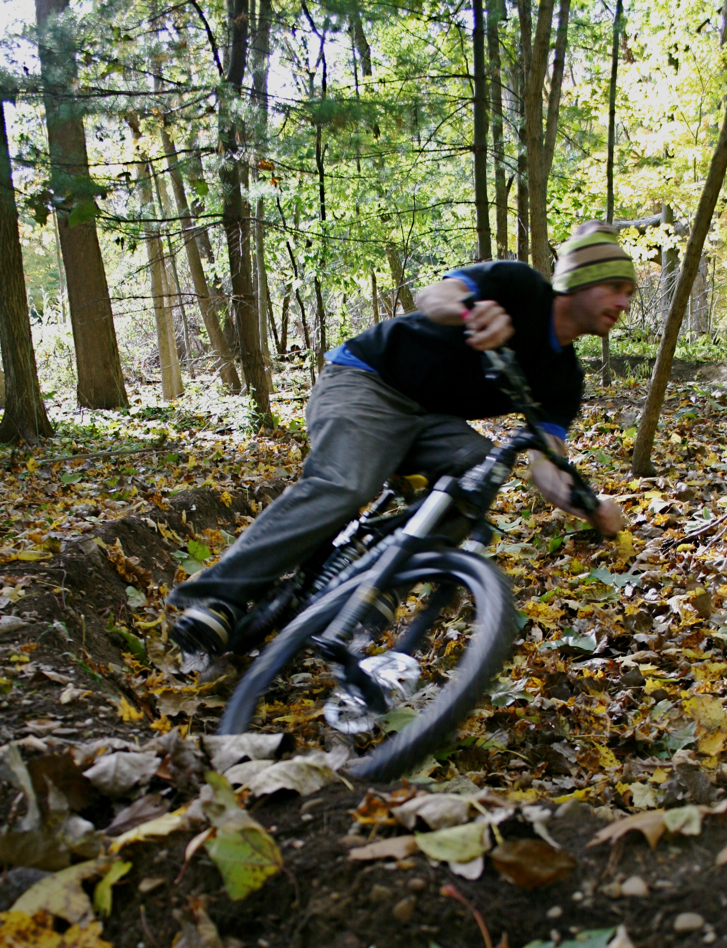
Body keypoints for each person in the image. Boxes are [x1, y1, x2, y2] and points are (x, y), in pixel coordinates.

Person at [169, 221, 635, 658]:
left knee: (477, 477)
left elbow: (546, 466)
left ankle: (377, 591)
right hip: (367, 379)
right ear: (579, 280)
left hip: (429, 419)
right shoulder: (518, 286)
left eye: (630, 293)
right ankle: (218, 599)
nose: (625, 303)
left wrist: (587, 506)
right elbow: (434, 294)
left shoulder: (565, 378)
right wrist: (471, 309)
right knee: (347, 484)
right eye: (615, 287)